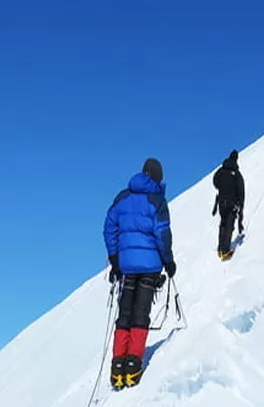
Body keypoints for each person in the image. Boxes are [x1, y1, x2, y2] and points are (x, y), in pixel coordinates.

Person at [104, 158, 177, 390]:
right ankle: (133, 365)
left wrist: (115, 259)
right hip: (150, 267)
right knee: (141, 315)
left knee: (124, 314)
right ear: (156, 177)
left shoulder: (122, 198)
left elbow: (109, 228)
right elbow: (162, 234)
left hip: (126, 267)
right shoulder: (157, 201)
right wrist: (169, 261)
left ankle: (117, 367)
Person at [212, 150, 245, 261]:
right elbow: (241, 190)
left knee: (223, 223)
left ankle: (220, 248)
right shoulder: (236, 173)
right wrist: (240, 204)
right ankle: (225, 251)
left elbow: (215, 180)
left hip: (221, 202)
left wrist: (221, 187)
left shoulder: (221, 170)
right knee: (229, 226)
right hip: (232, 204)